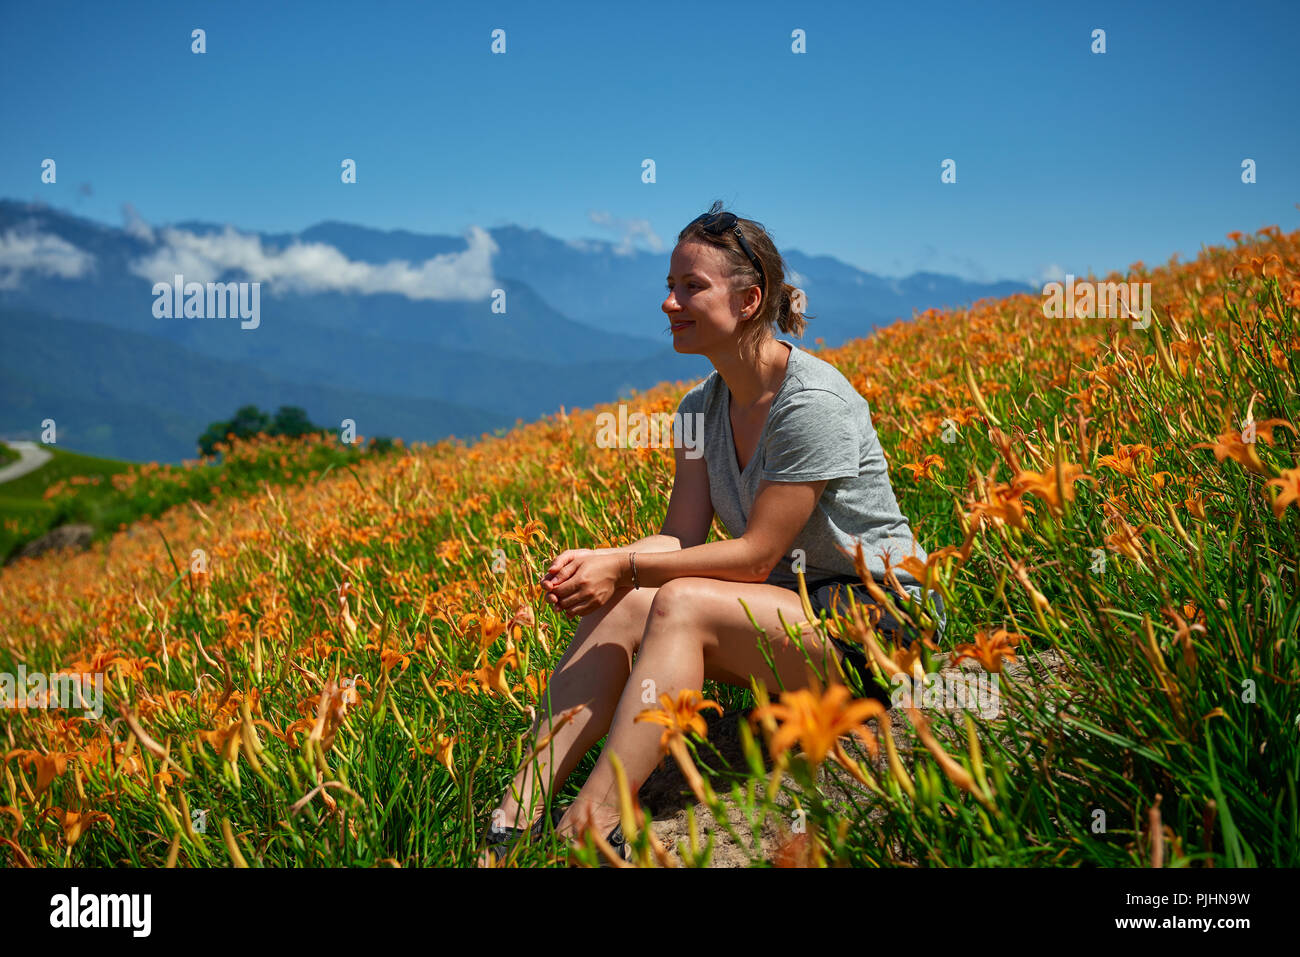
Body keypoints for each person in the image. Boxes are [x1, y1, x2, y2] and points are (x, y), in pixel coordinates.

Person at [479, 200, 945, 866]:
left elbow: (756, 557)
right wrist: (607, 562)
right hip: (792, 612)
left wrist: (629, 568)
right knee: (632, 600)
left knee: (677, 600)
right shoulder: (700, 406)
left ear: (750, 299)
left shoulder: (811, 402)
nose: (669, 303)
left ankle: (595, 818)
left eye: (689, 287)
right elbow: (680, 536)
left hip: (876, 622)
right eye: (669, 286)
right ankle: (516, 812)